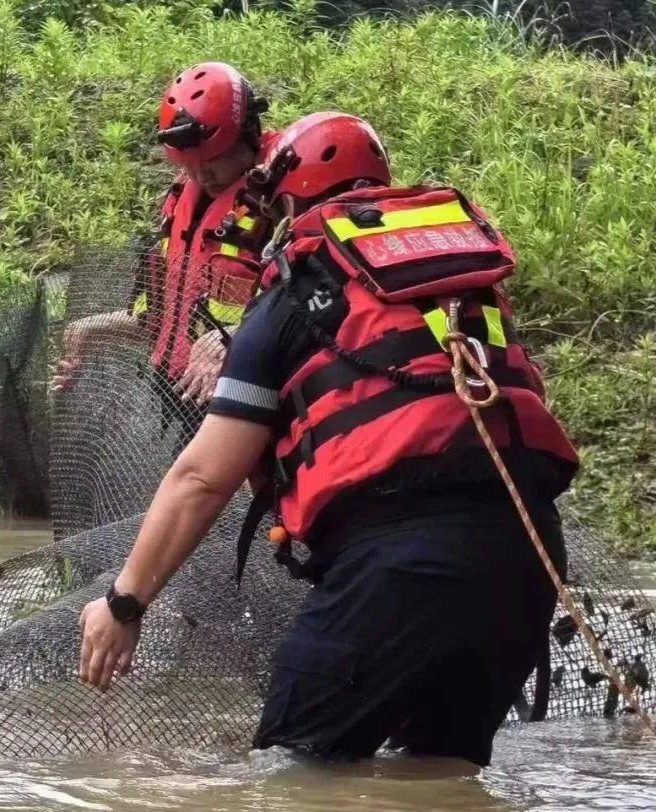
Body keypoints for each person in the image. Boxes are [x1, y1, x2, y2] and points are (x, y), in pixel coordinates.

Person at [77, 111, 581, 768]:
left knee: (291, 777)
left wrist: (124, 602)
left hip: (400, 561)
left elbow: (204, 476)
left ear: (293, 198)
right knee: (441, 773)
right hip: (528, 557)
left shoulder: (297, 286)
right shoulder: (460, 283)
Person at [52, 62, 278, 419]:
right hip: (186, 402)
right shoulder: (181, 202)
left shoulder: (283, 201)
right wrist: (89, 330)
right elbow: (159, 319)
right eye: (189, 166)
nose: (202, 176)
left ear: (249, 134)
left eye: (214, 160)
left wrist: (235, 337)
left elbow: (318, 315)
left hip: (250, 404)